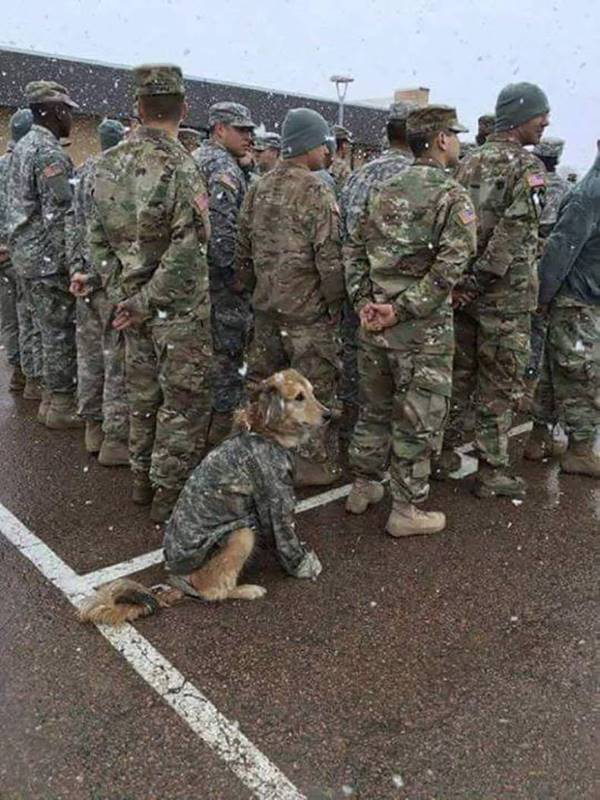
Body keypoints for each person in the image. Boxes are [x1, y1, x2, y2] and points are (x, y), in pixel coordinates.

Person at [88, 64, 213, 522]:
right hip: (176, 309)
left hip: (132, 305)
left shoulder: (105, 164)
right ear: (184, 108)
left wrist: (124, 294)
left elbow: (96, 241)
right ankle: (169, 493)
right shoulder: (182, 165)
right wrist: (145, 300)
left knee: (142, 397)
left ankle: (142, 478)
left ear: (138, 108)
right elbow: (188, 248)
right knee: (182, 402)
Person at [344, 105, 476, 536]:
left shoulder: (382, 189)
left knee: (374, 408)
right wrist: (402, 309)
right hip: (421, 331)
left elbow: (353, 250)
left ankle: (363, 485)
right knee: (418, 416)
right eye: (454, 135)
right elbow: (451, 266)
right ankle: (406, 508)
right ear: (441, 139)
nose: (457, 142)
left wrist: (364, 301)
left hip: (374, 323)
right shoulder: (451, 195)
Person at [443, 82, 550, 498]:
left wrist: (463, 284)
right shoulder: (528, 168)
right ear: (520, 117)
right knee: (498, 385)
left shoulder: (467, 162)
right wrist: (479, 281)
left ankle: (442, 455)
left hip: (464, 296)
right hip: (503, 298)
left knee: (458, 378)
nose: (546, 122)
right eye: (540, 115)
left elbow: (456, 228)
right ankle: (491, 471)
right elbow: (513, 233)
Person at [235, 107, 345, 487]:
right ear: (308, 145)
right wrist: (334, 305)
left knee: (264, 388)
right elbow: (329, 259)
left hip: (266, 311)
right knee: (314, 389)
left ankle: (258, 455)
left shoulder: (259, 187)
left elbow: (242, 250)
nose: (326, 152)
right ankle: (310, 463)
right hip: (306, 316)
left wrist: (254, 289)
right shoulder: (316, 190)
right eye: (323, 144)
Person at [338, 100, 416, 431]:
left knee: (357, 370)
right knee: (402, 383)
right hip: (401, 300)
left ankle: (353, 434)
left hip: (357, 290)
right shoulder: (420, 177)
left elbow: (343, 235)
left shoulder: (359, 175)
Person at [7, 81, 82, 429]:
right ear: (53, 111)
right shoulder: (49, 154)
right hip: (47, 260)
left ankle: (48, 399)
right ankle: (62, 404)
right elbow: (60, 215)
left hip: (25, 256)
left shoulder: (22, 147)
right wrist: (73, 264)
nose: (71, 118)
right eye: (67, 110)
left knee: (40, 328)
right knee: (58, 333)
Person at [533, 143, 600, 477]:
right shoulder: (589, 195)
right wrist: (543, 296)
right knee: (581, 374)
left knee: (553, 370)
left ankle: (538, 437)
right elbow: (559, 250)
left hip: (582, 298)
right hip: (578, 300)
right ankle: (580, 450)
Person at [192, 102, 255, 443]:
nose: (249, 137)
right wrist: (237, 276)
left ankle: (205, 426)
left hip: (196, 278)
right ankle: (221, 433)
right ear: (219, 129)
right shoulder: (221, 166)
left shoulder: (197, 158)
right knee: (228, 355)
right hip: (219, 281)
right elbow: (221, 229)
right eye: (241, 130)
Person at [67, 119, 129, 465]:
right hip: (109, 279)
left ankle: (93, 427)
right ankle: (115, 439)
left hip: (84, 278)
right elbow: (121, 234)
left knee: (90, 354)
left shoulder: (83, 171)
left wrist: (76, 269)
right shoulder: (119, 172)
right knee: (116, 359)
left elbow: (71, 222)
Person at [524, 137, 572, 459]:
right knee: (541, 331)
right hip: (548, 264)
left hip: (523, 260)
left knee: (522, 327)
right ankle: (530, 384)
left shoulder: (531, 182)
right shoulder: (566, 191)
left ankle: (521, 383)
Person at [0, 109, 37, 395]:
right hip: (25, 254)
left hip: (3, 256)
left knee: (9, 318)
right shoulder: (31, 165)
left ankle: (17, 371)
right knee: (30, 318)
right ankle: (32, 376)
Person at [329, 124, 353, 193]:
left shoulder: (323, 161)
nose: (349, 147)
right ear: (344, 145)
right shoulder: (342, 166)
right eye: (348, 144)